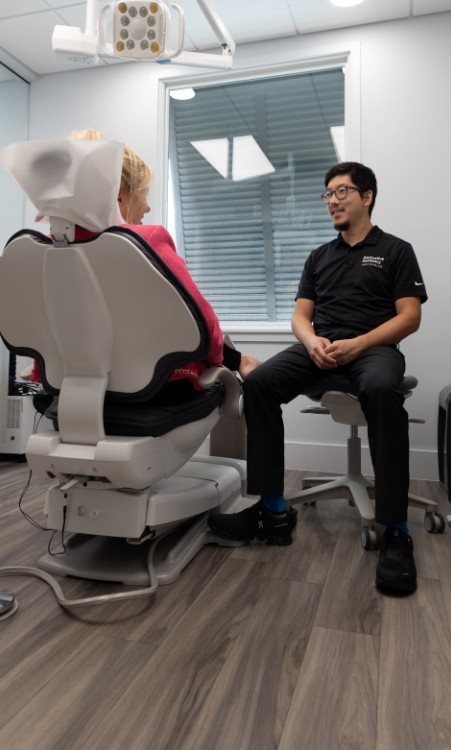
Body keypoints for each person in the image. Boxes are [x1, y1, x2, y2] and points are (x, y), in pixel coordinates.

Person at [208, 161, 427, 594]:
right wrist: (310, 343)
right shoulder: (319, 256)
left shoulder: (396, 250)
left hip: (373, 351)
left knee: (383, 390)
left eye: (341, 191)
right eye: (327, 194)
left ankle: (396, 531)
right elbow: (300, 316)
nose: (332, 200)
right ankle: (272, 511)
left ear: (367, 196)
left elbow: (410, 317)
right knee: (259, 383)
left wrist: (359, 344)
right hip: (320, 349)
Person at [26, 130, 260, 387]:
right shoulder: (144, 241)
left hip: (65, 391)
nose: (147, 207)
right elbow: (201, 327)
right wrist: (230, 360)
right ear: (119, 195)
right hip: (156, 391)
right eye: (143, 194)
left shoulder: (39, 252)